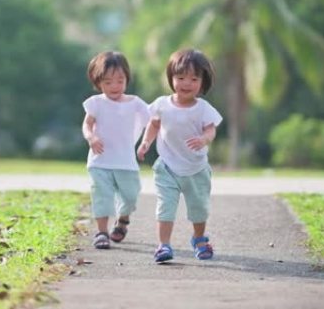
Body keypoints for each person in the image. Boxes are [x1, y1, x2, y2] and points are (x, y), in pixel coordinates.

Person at [136, 48, 222, 263]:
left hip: (196, 169)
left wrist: (204, 139)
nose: (186, 83)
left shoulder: (203, 108)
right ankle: (163, 245)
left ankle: (200, 239)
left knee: (199, 208)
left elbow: (211, 129)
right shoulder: (162, 105)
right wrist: (146, 142)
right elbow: (153, 125)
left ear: (203, 82)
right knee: (165, 208)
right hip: (167, 167)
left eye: (194, 79)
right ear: (171, 78)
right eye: (180, 77)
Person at [82, 51, 150, 249]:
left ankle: (122, 221)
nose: (114, 86)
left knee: (130, 196)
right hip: (100, 160)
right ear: (98, 82)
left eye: (120, 81)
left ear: (127, 79)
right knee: (101, 196)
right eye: (108, 82)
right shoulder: (96, 103)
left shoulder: (135, 103)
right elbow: (87, 124)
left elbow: (154, 119)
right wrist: (91, 137)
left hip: (126, 161)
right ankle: (101, 232)